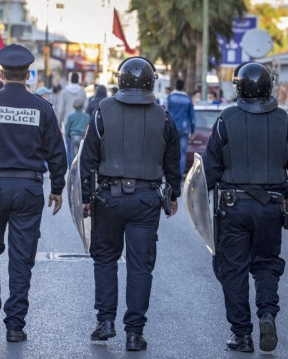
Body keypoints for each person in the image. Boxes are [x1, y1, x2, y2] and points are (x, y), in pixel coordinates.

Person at [0, 44, 67, 343]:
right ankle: (16, 325)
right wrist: (57, 188)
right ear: (29, 74)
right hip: (29, 189)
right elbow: (58, 154)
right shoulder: (42, 108)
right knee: (21, 259)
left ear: (1, 72)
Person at [202, 62, 288, 353]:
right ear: (269, 86)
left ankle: (242, 334)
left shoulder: (226, 120)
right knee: (266, 265)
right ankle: (267, 314)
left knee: (233, 270)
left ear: (239, 87)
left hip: (232, 208)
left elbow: (209, 170)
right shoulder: (283, 121)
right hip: (271, 207)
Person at [80, 56, 181, 351]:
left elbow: (88, 160)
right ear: (151, 81)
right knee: (140, 267)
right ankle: (134, 333)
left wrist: (86, 199)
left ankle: (105, 321)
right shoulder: (164, 117)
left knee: (105, 260)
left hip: (108, 198)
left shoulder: (101, 111)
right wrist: (173, 196)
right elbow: (173, 163)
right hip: (147, 200)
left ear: (120, 80)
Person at [167, 79, 195, 174]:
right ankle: (180, 172)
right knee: (182, 153)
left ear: (175, 85)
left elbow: (166, 113)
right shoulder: (188, 99)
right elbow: (192, 117)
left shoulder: (170, 97)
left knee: (170, 152)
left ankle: (171, 173)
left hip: (172, 128)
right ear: (183, 87)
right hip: (184, 129)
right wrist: (193, 131)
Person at [58, 73, 87, 164]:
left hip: (68, 123)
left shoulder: (64, 92)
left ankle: (71, 170)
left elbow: (61, 109)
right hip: (80, 124)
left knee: (70, 150)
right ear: (78, 80)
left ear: (70, 79)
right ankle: (79, 170)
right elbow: (86, 107)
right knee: (81, 151)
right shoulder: (82, 91)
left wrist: (59, 122)